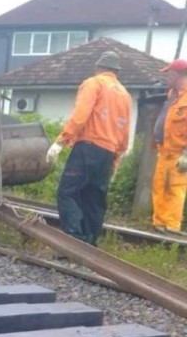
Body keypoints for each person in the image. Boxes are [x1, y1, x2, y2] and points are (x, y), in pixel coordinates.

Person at [46, 51, 132, 245]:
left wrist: (61, 141)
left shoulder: (94, 83)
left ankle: (74, 240)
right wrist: (116, 158)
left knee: (68, 192)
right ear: (116, 71)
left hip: (89, 147)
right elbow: (125, 130)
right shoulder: (125, 94)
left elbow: (80, 115)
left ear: (97, 68)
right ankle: (90, 242)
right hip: (108, 152)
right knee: (94, 197)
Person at [151, 58, 187, 233]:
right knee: (159, 186)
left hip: (179, 152)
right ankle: (159, 223)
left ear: (177, 74)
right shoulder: (172, 95)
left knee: (175, 188)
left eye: (169, 73)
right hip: (164, 150)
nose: (166, 77)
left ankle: (172, 225)